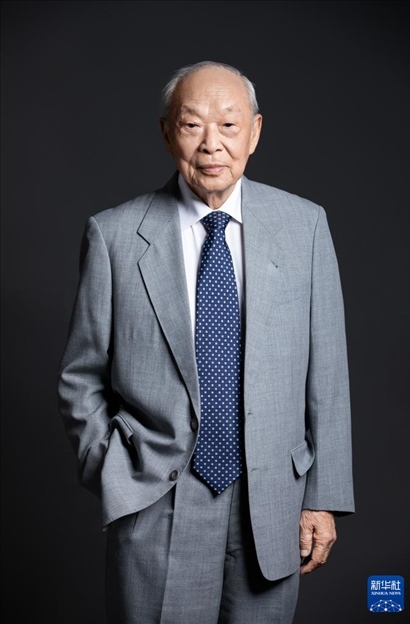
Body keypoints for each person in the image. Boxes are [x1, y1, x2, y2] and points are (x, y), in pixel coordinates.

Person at [58, 61, 355, 624]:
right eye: (192, 125)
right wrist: (114, 469)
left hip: (273, 503)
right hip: (157, 499)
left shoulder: (305, 226)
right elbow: (81, 376)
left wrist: (323, 497)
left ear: (255, 132)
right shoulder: (114, 235)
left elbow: (329, 374)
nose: (211, 144)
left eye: (229, 125)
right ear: (167, 132)